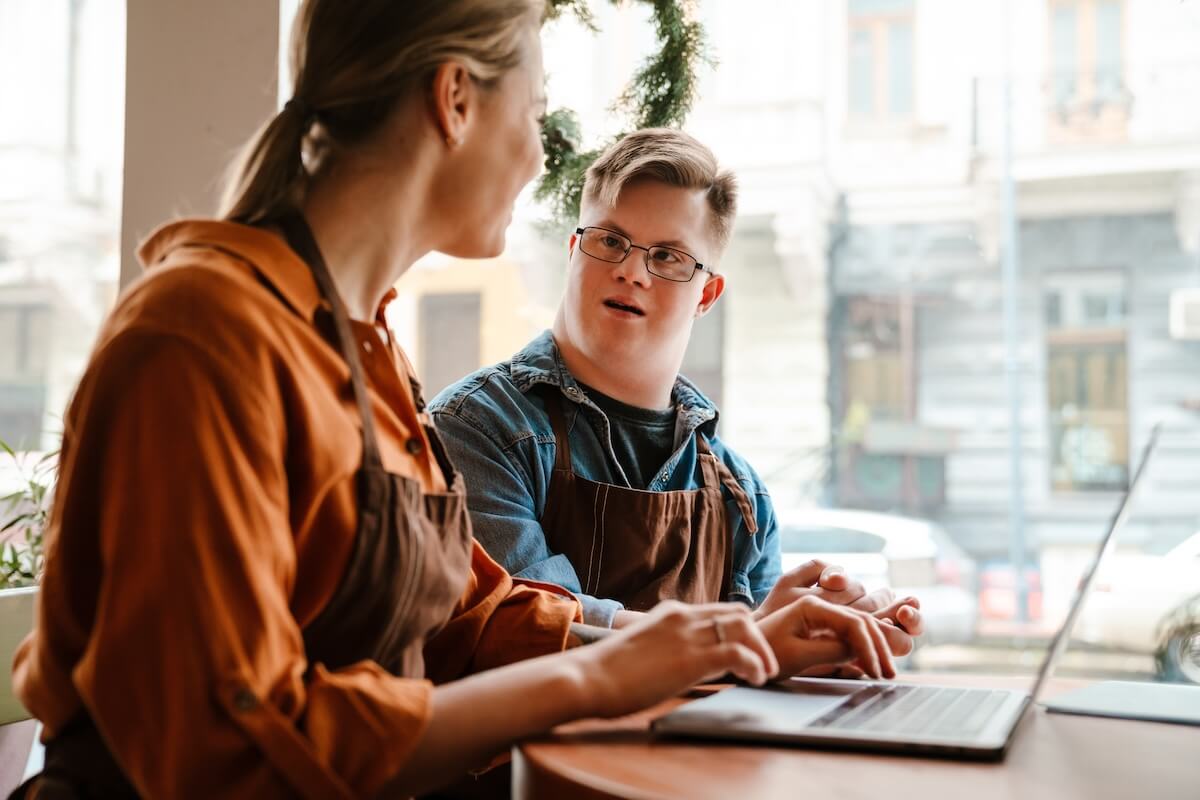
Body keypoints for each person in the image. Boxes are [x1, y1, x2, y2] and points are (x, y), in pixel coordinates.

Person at [11, 2, 905, 798]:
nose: (544, 148)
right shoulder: (202, 339)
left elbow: (469, 621)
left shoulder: (367, 353)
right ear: (455, 100)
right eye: (538, 104)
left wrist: (720, 643)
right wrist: (598, 677)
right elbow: (220, 750)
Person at [430, 129, 925, 639]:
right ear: (574, 249)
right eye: (610, 241)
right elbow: (529, 625)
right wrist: (747, 637)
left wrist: (826, 637)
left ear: (707, 294)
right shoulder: (475, 429)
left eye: (668, 257)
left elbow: (762, 671)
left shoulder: (743, 497)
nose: (631, 271)